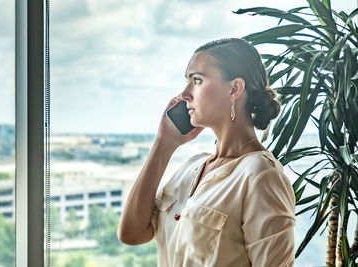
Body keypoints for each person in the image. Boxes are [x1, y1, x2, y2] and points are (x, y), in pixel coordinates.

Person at [117, 38, 296, 267]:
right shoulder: (191, 168)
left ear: (234, 88)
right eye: (187, 82)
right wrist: (163, 145)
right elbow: (132, 234)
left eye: (197, 81)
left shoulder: (261, 177)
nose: (184, 94)